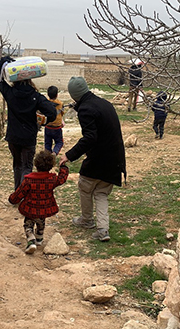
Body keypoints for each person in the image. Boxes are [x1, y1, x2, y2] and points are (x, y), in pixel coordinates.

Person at [60, 77, 127, 242]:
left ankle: (87, 220)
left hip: (99, 159)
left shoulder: (86, 110)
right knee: (101, 192)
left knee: (85, 186)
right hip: (115, 158)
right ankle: (103, 229)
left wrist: (69, 155)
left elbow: (90, 137)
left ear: (74, 95)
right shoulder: (104, 103)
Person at [0, 55, 57, 190]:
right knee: (27, 167)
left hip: (13, 137)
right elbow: (52, 112)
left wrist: (3, 60)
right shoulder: (36, 96)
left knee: (17, 166)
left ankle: (17, 193)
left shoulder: (10, 93)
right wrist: (43, 122)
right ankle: (22, 195)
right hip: (29, 137)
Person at [9, 150, 69, 254]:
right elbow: (62, 179)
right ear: (51, 166)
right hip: (44, 207)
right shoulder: (52, 179)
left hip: (30, 208)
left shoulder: (29, 180)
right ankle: (39, 239)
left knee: (28, 225)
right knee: (41, 223)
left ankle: (31, 241)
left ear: (35, 164)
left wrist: (12, 199)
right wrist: (63, 167)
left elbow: (20, 193)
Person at [44, 85, 66, 155]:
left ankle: (47, 157)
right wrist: (61, 121)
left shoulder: (45, 103)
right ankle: (54, 152)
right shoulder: (60, 104)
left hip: (47, 127)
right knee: (59, 142)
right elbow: (61, 113)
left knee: (47, 144)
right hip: (57, 127)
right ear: (57, 95)